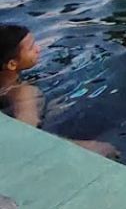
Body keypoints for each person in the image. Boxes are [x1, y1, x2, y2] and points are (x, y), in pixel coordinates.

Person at [0, 25, 118, 158]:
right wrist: (90, 147)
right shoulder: (23, 93)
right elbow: (27, 137)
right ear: (12, 64)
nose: (38, 49)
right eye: (31, 48)